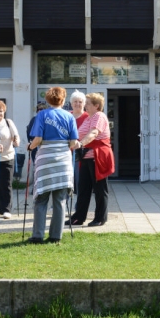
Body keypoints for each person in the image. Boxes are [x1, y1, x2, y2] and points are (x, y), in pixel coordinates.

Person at [27, 87, 78, 243]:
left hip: (45, 160)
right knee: (60, 200)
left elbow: (37, 139)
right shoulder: (69, 117)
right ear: (63, 100)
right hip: (63, 160)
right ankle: (56, 236)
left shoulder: (42, 115)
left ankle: (37, 235)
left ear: (48, 100)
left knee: (41, 199)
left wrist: (29, 147)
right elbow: (73, 142)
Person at [66, 92, 115, 227]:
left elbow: (93, 133)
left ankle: (100, 218)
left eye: (87, 103)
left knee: (99, 189)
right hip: (86, 158)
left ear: (96, 106)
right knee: (83, 189)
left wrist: (81, 144)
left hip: (97, 157)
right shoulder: (89, 118)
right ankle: (79, 217)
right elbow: (78, 134)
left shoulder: (99, 116)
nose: (85, 105)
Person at [69, 90, 88, 195]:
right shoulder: (67, 116)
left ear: (84, 104)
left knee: (80, 180)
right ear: (71, 103)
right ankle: (63, 203)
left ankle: (79, 205)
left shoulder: (87, 117)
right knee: (66, 180)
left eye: (80, 102)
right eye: (75, 101)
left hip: (82, 153)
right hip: (67, 152)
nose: (77, 104)